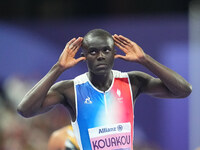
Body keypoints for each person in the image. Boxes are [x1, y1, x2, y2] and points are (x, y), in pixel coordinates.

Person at [17, 29, 192, 150]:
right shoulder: (70, 89)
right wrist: (58, 68)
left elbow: (183, 90)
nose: (100, 56)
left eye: (106, 50)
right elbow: (25, 110)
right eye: (93, 52)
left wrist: (145, 59)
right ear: (83, 56)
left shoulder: (132, 82)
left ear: (114, 53)